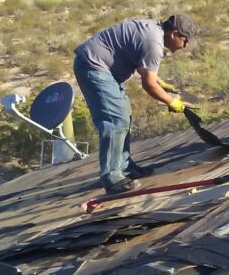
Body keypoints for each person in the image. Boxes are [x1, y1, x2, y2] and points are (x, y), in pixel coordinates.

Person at [73, 14, 198, 194]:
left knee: (124, 116)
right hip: (94, 67)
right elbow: (148, 85)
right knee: (115, 120)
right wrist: (172, 102)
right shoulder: (154, 43)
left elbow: (145, 69)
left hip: (99, 67)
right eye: (185, 40)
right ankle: (112, 177)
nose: (185, 46)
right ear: (174, 34)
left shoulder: (154, 31)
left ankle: (125, 168)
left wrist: (160, 82)